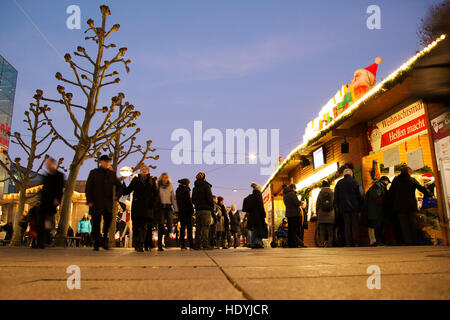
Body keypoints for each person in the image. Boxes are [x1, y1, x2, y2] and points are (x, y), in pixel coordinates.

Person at [85, 154, 123, 251]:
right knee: (96, 223)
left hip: (107, 203)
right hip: (95, 202)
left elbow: (120, 186)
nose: (107, 163)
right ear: (100, 162)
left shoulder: (112, 174)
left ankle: (105, 240)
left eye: (108, 162)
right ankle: (97, 242)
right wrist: (89, 200)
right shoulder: (94, 173)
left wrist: (117, 196)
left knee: (107, 223)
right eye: (105, 161)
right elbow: (88, 187)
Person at [387, 166, 431, 246]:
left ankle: (407, 241)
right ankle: (414, 240)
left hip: (399, 206)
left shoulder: (396, 180)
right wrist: (428, 194)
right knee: (412, 223)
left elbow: (390, 193)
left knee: (404, 225)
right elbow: (421, 188)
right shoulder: (411, 180)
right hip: (411, 205)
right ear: (408, 172)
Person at [122, 166, 158, 252]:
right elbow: (128, 190)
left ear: (148, 171)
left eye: (145, 170)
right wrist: (121, 187)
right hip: (137, 206)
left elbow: (155, 193)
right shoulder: (136, 180)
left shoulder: (152, 181)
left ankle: (141, 244)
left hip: (147, 207)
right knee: (136, 226)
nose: (144, 171)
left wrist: (153, 203)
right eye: (142, 170)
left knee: (144, 227)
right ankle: (136, 244)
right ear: (140, 172)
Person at [37, 157, 65, 249]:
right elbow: (43, 189)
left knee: (49, 222)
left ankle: (48, 239)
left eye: (49, 164)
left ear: (53, 164)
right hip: (44, 202)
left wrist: (57, 199)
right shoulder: (47, 176)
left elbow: (60, 189)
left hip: (52, 203)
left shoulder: (59, 175)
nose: (47, 165)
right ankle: (41, 242)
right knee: (41, 221)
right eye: (47, 164)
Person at [334, 168, 364, 247]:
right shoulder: (355, 182)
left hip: (343, 208)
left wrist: (338, 205)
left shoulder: (339, 183)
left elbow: (336, 196)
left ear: (344, 175)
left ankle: (348, 242)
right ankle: (356, 242)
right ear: (351, 174)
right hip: (354, 208)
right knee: (355, 225)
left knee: (346, 225)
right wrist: (360, 205)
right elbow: (361, 194)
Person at [364, 176, 391, 246]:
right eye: (387, 182)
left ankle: (378, 241)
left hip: (376, 210)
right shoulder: (378, 186)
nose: (388, 184)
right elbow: (376, 197)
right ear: (385, 180)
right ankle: (377, 241)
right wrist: (383, 203)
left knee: (377, 226)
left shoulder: (378, 186)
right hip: (376, 210)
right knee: (377, 226)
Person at [192, 172, 215, 250]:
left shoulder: (194, 188)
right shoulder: (206, 186)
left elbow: (193, 200)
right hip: (206, 210)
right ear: (204, 178)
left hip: (198, 210)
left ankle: (197, 244)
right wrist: (212, 205)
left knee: (198, 228)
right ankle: (205, 244)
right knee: (205, 227)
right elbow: (209, 198)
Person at [156, 173, 178, 251]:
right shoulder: (158, 186)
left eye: (166, 177)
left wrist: (176, 209)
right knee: (161, 225)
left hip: (168, 207)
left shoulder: (170, 186)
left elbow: (173, 198)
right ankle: (159, 245)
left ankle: (166, 235)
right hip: (160, 207)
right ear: (161, 178)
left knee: (170, 225)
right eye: (164, 177)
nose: (165, 179)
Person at [242, 183, 266, 249]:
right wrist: (263, 214)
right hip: (258, 216)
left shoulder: (251, 196)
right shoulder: (258, 195)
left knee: (254, 229)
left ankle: (253, 243)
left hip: (252, 216)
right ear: (259, 189)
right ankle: (257, 243)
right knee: (258, 229)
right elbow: (261, 206)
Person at [176, 178, 195, 250]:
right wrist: (192, 210)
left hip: (181, 212)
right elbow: (188, 202)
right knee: (189, 229)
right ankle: (191, 245)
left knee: (182, 229)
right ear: (187, 183)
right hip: (187, 212)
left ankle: (182, 245)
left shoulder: (178, 190)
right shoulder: (186, 190)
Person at [316, 180, 335, 247]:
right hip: (330, 214)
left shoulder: (320, 193)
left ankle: (322, 244)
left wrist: (317, 213)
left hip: (321, 214)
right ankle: (330, 244)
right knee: (330, 232)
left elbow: (317, 204)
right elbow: (334, 204)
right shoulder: (332, 193)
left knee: (322, 232)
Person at [283, 184, 301, 248]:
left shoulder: (285, 195)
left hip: (288, 214)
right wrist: (300, 202)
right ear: (293, 188)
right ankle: (293, 244)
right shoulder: (292, 194)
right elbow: (296, 203)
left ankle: (290, 243)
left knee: (290, 229)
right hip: (294, 214)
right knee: (294, 229)